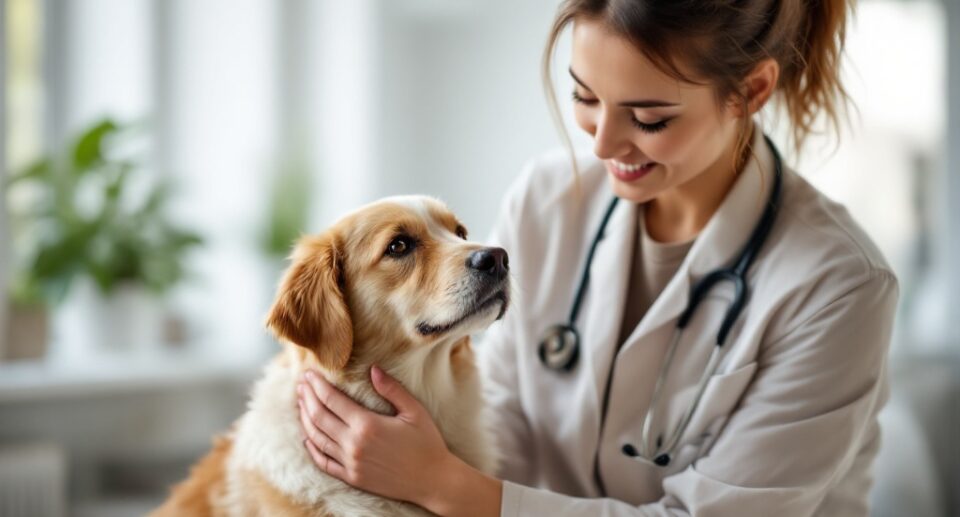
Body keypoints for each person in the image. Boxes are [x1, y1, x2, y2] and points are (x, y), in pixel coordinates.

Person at [295, 0, 900, 515]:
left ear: (750, 90)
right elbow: (498, 417)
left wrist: (447, 487)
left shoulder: (839, 285)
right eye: (585, 97)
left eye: (649, 117)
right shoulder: (549, 199)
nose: (603, 144)